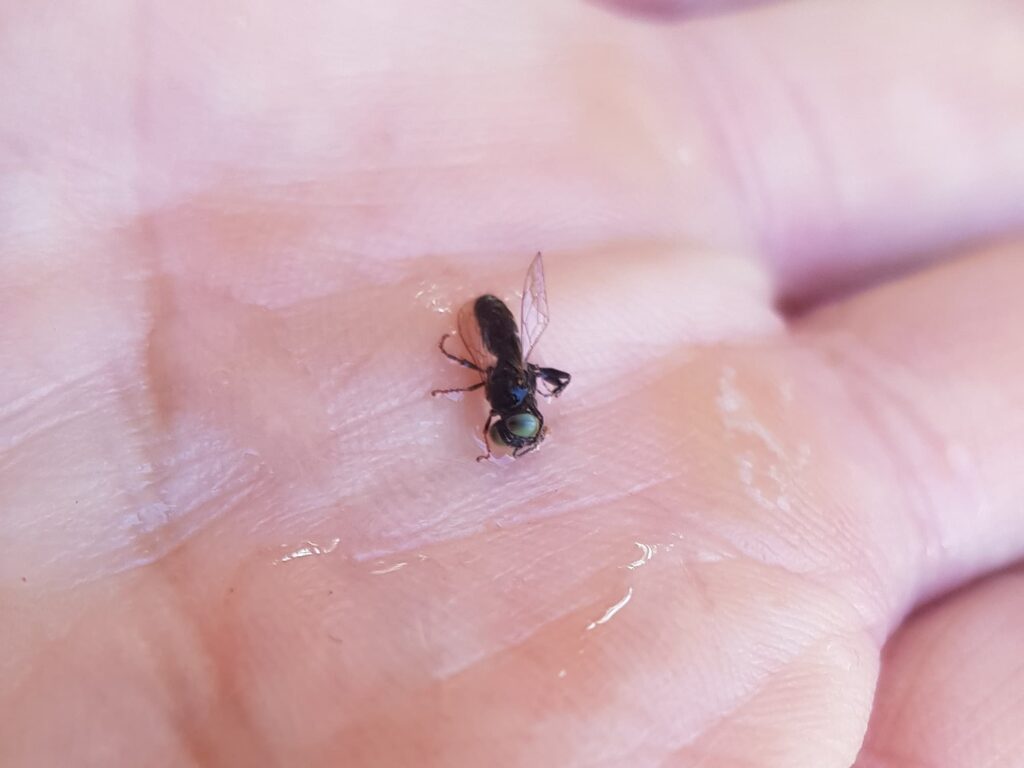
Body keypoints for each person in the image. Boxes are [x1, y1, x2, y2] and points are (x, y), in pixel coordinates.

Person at [2, 0, 1022, 765]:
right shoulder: (500, 370)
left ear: (512, 402)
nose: (512, 412)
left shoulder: (505, 380)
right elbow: (484, 362)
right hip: (489, 319)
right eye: (515, 415)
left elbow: (496, 372)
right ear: (511, 399)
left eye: (515, 415)